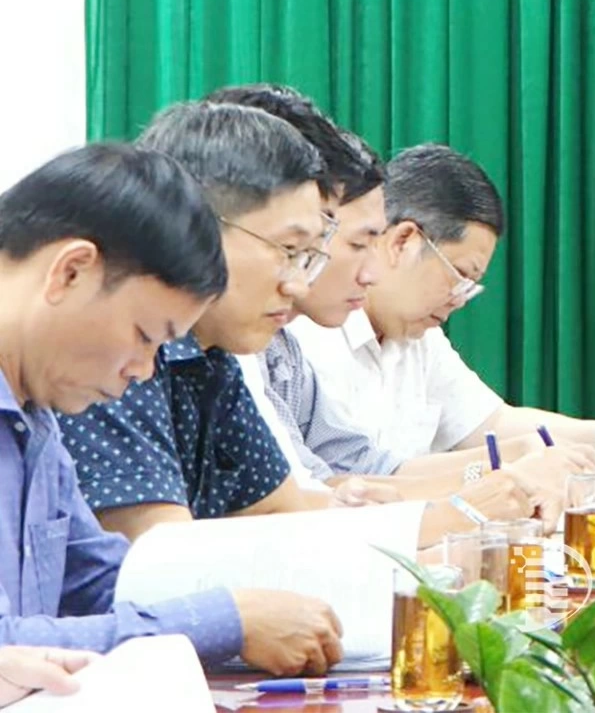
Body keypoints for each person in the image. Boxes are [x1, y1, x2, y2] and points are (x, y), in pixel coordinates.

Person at [58, 103, 531, 541]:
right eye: (292, 250)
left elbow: (282, 509)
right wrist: (462, 512)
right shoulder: (117, 349)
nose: (300, 283)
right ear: (194, 227)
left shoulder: (215, 356)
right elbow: (164, 557)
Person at [0, 143, 344, 675]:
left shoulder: (37, 413)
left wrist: (255, 609)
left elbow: (100, 582)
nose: (142, 369)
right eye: (143, 336)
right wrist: (223, 619)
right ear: (70, 272)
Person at [206, 86, 595, 501]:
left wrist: (507, 467)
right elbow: (301, 505)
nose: (300, 277)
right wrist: (495, 483)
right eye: (294, 246)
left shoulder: (281, 348)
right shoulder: (253, 340)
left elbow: (352, 474)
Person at [292, 144, 595, 464]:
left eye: (470, 288)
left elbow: (490, 423)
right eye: (458, 276)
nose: (458, 300)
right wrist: (497, 466)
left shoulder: (420, 339)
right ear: (403, 241)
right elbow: (345, 482)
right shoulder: (306, 332)